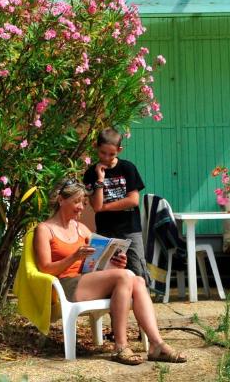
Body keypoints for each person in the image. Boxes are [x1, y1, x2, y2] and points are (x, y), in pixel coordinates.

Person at [33, 178, 187, 365]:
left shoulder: (81, 229)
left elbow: (96, 264)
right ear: (61, 200)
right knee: (125, 276)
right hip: (64, 286)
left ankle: (157, 344)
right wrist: (74, 257)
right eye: (76, 202)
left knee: (136, 280)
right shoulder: (44, 229)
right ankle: (120, 346)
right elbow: (45, 268)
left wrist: (116, 262)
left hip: (87, 280)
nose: (81, 207)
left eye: (83, 202)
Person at [83, 128, 148, 281]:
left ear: (119, 150)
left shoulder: (128, 168)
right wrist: (100, 179)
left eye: (111, 154)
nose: (106, 157)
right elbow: (96, 205)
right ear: (96, 147)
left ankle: (140, 300)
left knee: (137, 269)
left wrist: (105, 208)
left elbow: (133, 200)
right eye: (102, 153)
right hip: (106, 231)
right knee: (106, 271)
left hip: (130, 229)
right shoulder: (91, 174)